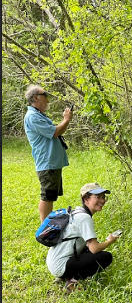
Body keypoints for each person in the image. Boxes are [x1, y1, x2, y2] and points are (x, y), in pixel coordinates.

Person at [46, 182, 120, 293]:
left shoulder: (76, 212)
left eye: (104, 197)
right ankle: (72, 280)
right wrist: (110, 241)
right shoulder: (85, 218)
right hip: (61, 265)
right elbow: (94, 248)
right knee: (105, 257)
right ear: (86, 199)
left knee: (87, 249)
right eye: (98, 197)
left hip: (54, 261)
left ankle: (63, 276)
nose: (103, 200)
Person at [24, 84, 73, 223]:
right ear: (35, 97)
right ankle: (45, 229)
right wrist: (66, 119)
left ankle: (47, 225)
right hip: (47, 163)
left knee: (50, 196)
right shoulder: (33, 117)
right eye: (45, 95)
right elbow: (55, 132)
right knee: (47, 196)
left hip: (51, 162)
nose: (47, 99)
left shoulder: (38, 115)